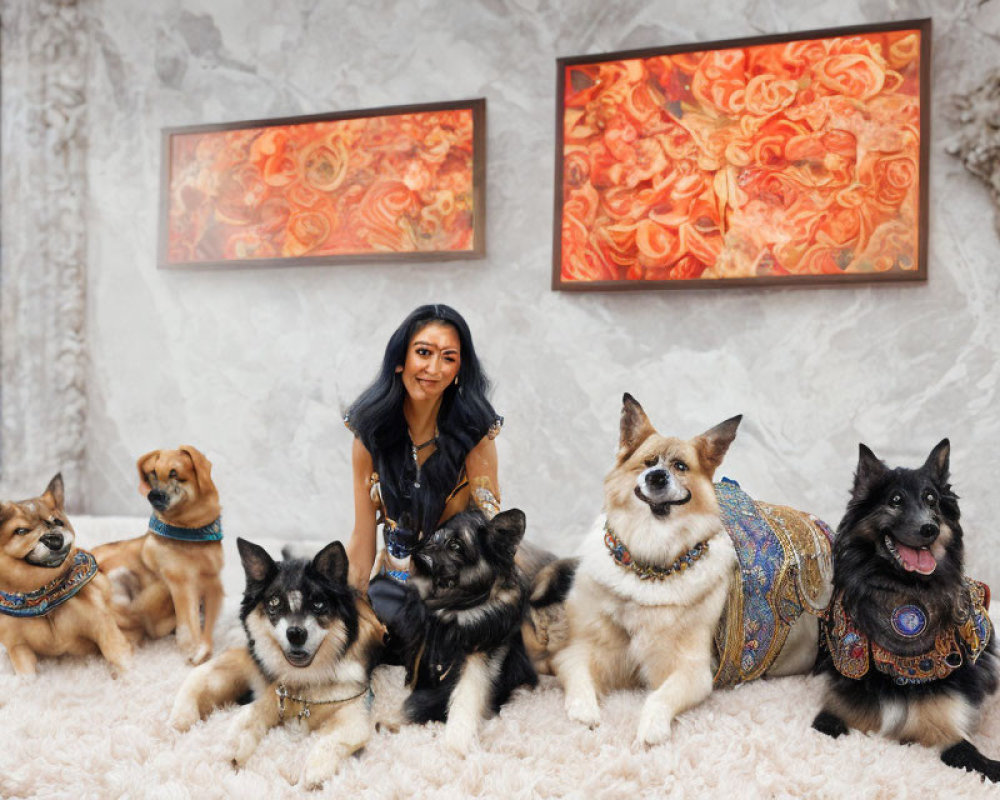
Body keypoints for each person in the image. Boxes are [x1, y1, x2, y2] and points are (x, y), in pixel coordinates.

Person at [343, 304, 502, 634]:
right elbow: (362, 537)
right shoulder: (370, 436)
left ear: (459, 369)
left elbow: (491, 527)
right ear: (400, 359)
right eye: (424, 352)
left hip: (456, 582)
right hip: (397, 579)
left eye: (448, 357)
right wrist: (352, 605)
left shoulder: (476, 435)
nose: (434, 368)